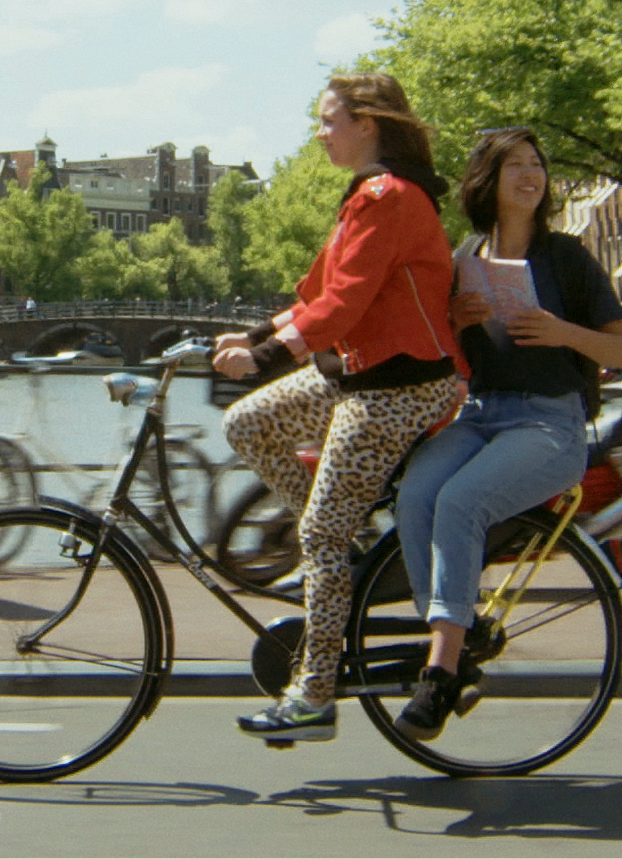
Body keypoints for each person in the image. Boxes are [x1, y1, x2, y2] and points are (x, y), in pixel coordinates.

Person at [213, 73, 468, 742]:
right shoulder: (368, 196)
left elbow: (345, 303)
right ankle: (346, 544)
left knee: (318, 535)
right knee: (248, 423)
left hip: (399, 388)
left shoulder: (389, 197)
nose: (320, 132)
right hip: (361, 374)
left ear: (368, 124)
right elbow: (320, 297)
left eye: (329, 120)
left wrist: (267, 358)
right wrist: (258, 336)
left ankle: (314, 696)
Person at [390, 128, 622, 740]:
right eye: (514, 166)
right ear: (487, 183)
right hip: (481, 413)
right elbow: (445, 355)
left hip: (551, 422)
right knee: (417, 493)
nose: (531, 174)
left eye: (537, 164)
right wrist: (455, 318)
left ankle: (440, 674)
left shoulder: (569, 258)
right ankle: (455, 636)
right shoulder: (466, 257)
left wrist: (564, 333)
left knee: (461, 499)